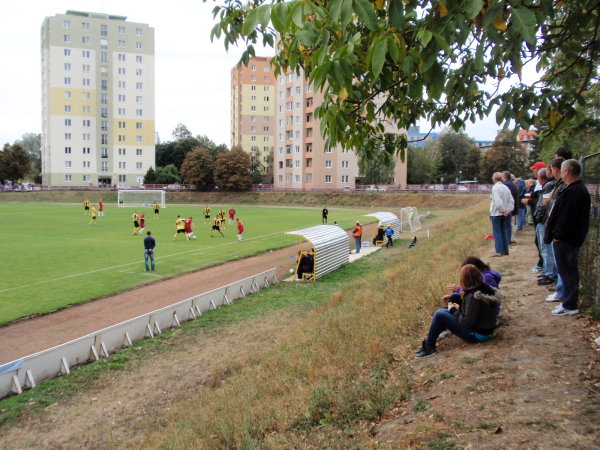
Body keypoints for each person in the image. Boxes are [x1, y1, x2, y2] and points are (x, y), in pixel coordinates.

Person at [415, 264, 503, 358]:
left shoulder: (473, 297)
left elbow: (467, 323)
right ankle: (430, 341)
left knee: (439, 314)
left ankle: (429, 347)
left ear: (465, 280)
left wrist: (454, 311)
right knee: (442, 312)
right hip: (486, 331)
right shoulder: (483, 288)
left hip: (478, 335)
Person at [544, 159, 591, 316]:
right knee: (566, 271)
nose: (561, 174)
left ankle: (570, 304)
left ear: (567, 172)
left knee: (567, 271)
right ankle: (568, 301)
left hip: (566, 240)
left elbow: (567, 218)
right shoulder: (573, 189)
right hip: (568, 239)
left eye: (563, 171)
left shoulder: (574, 191)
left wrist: (558, 236)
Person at [489, 172, 514, 257]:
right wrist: (508, 210)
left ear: (494, 179)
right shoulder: (506, 187)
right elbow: (511, 200)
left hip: (497, 213)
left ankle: (499, 250)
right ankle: (505, 250)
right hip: (506, 213)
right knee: (504, 231)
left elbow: (498, 201)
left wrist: (503, 210)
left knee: (497, 232)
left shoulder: (495, 188)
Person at [501, 171, 519, 244]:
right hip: (514, 206)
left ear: (504, 177)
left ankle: (509, 239)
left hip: (508, 208)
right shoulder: (513, 184)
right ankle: (511, 238)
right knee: (512, 223)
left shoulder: (505, 185)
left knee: (508, 224)